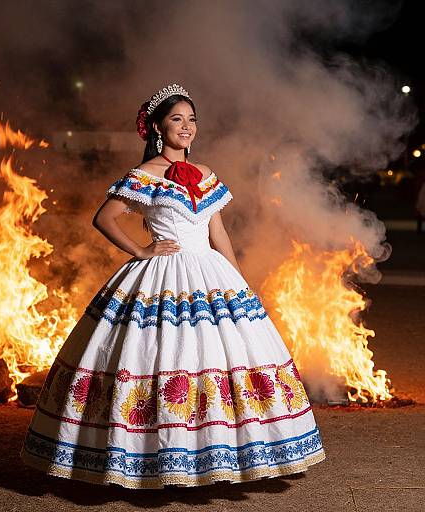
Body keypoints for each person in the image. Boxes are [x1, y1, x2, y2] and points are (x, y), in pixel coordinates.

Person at [20, 83, 326, 489]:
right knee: (157, 356)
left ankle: (223, 456)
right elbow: (104, 218)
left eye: (192, 119)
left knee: (223, 358)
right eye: (177, 119)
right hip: (162, 277)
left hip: (211, 276)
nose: (187, 127)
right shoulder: (144, 176)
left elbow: (218, 232)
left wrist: (239, 283)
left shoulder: (206, 175)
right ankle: (151, 459)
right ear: (157, 128)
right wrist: (142, 252)